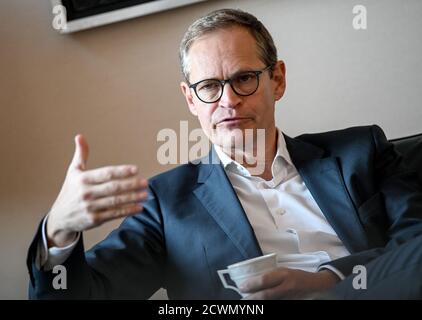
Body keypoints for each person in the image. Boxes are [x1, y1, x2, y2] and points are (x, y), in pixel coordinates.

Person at [27, 9, 422, 300]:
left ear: (277, 80)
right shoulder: (164, 204)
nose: (228, 100)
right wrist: (59, 231)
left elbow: (415, 248)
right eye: (209, 87)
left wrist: (329, 279)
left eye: (244, 79)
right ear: (190, 99)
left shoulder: (361, 151)